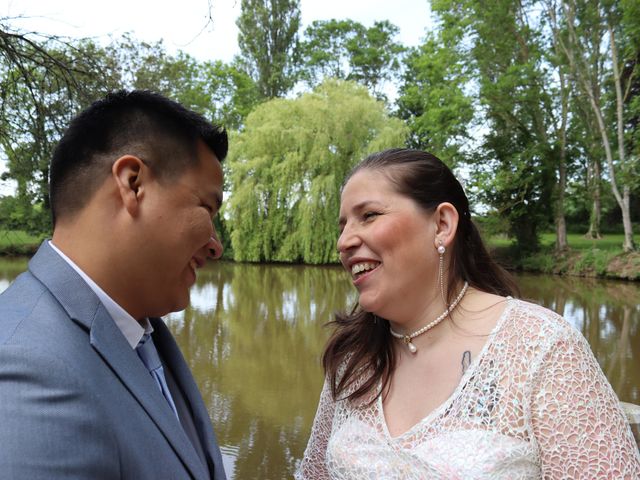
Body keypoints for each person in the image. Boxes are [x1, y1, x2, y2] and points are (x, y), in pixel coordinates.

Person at [297, 148, 640, 479]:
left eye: (368, 215)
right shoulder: (352, 358)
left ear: (442, 224)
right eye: (342, 226)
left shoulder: (542, 348)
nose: (343, 242)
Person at [0, 90, 228, 479]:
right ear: (133, 183)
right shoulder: (26, 369)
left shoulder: (140, 328)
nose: (215, 245)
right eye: (207, 207)